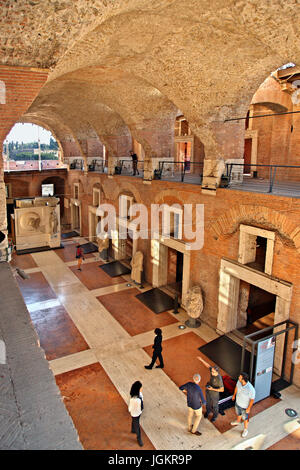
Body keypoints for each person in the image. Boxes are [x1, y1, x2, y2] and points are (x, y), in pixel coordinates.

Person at [197, 356, 224, 422]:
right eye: (211, 371)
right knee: (208, 402)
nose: (211, 373)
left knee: (215, 405)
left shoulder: (219, 379)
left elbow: (222, 389)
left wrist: (212, 389)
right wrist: (201, 360)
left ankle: (215, 416)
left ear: (217, 372)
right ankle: (208, 411)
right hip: (208, 390)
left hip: (214, 393)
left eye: (213, 372)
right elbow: (208, 366)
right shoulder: (212, 371)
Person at [231, 372, 256, 438]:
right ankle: (238, 421)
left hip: (245, 407)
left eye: (240, 377)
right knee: (238, 413)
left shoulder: (250, 389)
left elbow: (252, 399)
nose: (238, 378)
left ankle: (245, 430)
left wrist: (249, 408)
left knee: (245, 418)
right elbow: (236, 387)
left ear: (243, 379)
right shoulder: (239, 382)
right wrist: (234, 395)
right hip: (238, 403)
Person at [128, 381, 144, 447]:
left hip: (136, 413)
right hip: (136, 413)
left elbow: (129, 409)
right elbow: (130, 408)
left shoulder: (138, 396)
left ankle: (133, 429)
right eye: (141, 387)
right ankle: (139, 438)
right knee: (137, 426)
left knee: (134, 421)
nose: (142, 388)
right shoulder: (135, 399)